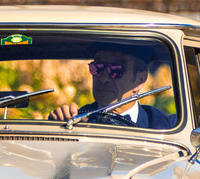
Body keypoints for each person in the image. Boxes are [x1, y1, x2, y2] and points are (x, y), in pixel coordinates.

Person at [46, 46, 175, 129]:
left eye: (116, 70)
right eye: (97, 68)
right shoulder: (75, 121)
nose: (103, 78)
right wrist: (58, 127)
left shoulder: (165, 126)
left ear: (140, 80)